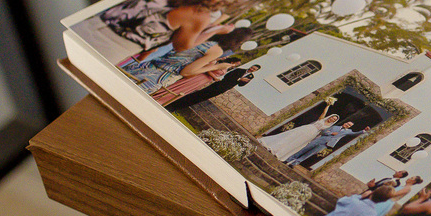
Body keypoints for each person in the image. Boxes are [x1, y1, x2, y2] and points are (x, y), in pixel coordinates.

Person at [118, 28, 253, 95]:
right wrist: (216, 67)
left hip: (143, 65)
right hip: (155, 76)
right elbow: (187, 72)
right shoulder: (216, 50)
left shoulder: (205, 37)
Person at [164, 63, 261, 112]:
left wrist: (242, 81)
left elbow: (241, 85)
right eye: (252, 67)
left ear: (255, 71)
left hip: (222, 89)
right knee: (198, 94)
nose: (252, 69)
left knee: (200, 99)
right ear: (251, 66)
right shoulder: (239, 70)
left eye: (254, 69)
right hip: (218, 85)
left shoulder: (250, 76)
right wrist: (239, 78)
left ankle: (177, 108)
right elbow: (227, 76)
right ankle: (172, 104)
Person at [258, 104, 339, 162]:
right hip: (307, 128)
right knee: (290, 137)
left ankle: (279, 154)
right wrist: (328, 105)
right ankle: (273, 147)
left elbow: (323, 133)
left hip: (312, 134)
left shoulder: (329, 127)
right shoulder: (322, 119)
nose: (332, 119)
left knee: (295, 143)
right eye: (332, 117)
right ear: (330, 116)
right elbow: (324, 113)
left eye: (334, 119)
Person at [288, 120, 369, 167]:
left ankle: (295, 163)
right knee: (304, 149)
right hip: (320, 140)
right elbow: (324, 132)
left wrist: (364, 130)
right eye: (347, 124)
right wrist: (331, 133)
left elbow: (355, 134)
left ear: (350, 127)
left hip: (326, 144)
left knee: (310, 153)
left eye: (349, 125)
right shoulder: (335, 127)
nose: (347, 125)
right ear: (345, 123)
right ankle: (289, 159)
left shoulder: (348, 131)